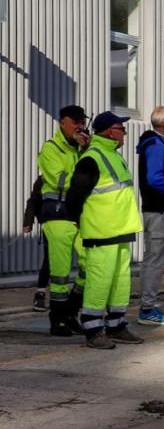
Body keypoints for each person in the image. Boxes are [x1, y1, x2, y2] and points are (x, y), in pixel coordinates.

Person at [63, 111, 145, 349]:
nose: (125, 133)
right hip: (101, 233)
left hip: (120, 231)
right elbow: (74, 197)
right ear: (110, 131)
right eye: (122, 128)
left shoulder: (112, 156)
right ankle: (92, 328)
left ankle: (116, 324)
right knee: (99, 282)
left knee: (120, 282)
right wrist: (81, 223)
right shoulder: (92, 158)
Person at [38, 104, 90, 336]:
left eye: (82, 121)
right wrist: (85, 176)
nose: (80, 125)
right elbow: (61, 180)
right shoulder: (51, 148)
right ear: (62, 122)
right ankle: (57, 318)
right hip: (57, 213)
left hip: (80, 214)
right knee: (59, 272)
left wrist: (86, 151)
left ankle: (70, 311)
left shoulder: (84, 148)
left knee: (90, 263)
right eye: (75, 121)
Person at [134, 105, 164, 326]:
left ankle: (148, 305)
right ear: (163, 123)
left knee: (153, 259)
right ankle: (147, 308)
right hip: (159, 210)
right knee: (155, 261)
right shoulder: (156, 146)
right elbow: (154, 178)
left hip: (156, 210)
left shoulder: (152, 144)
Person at [22, 176, 49, 312]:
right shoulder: (45, 178)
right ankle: (40, 294)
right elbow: (33, 201)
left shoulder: (77, 172)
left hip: (77, 226)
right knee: (50, 260)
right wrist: (28, 221)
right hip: (52, 225)